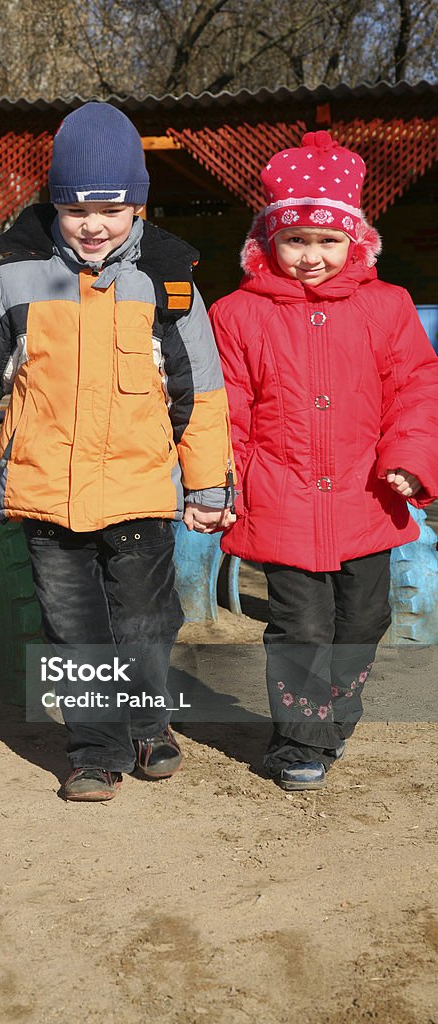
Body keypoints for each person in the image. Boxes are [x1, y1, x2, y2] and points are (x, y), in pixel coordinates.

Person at [0, 101, 235, 801]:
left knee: (146, 622)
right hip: (46, 497)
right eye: (75, 210)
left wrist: (209, 486)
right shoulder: (11, 280)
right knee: (73, 633)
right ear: (55, 207)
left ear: (138, 209)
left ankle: (149, 724)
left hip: (140, 494)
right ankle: (94, 750)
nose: (93, 226)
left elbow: (201, 397)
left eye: (112, 210)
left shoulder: (171, 283)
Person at [209, 130, 438, 791]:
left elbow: (415, 389)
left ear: (355, 242)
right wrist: (225, 483)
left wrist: (409, 457)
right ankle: (295, 743)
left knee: (365, 618)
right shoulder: (236, 313)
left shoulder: (386, 306)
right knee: (300, 624)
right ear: (267, 242)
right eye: (295, 240)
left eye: (327, 241)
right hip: (279, 495)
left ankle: (330, 711)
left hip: (368, 493)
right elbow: (227, 410)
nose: (311, 257)